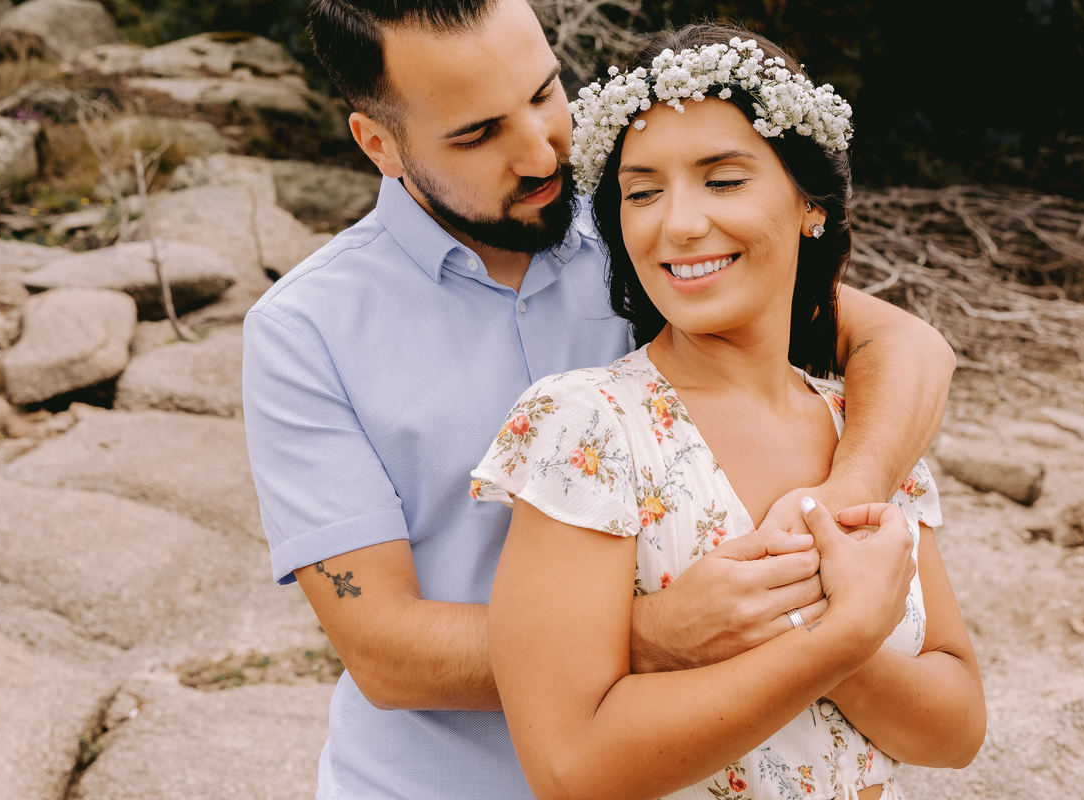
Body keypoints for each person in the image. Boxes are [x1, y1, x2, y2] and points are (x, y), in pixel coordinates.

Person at [241, 1, 956, 797]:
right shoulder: (306, 330)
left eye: (547, 94)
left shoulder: (647, 227)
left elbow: (906, 347)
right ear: (381, 145)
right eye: (478, 133)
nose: (542, 149)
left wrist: (837, 520)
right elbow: (381, 648)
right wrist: (661, 632)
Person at [473, 25, 986, 800]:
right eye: (642, 192)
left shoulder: (866, 431)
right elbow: (568, 765)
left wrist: (839, 650)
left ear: (811, 203)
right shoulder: (586, 426)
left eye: (722, 180)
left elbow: (957, 728)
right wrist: (834, 639)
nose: (677, 223)